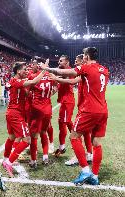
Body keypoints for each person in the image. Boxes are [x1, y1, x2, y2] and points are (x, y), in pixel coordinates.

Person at [41, 47, 109, 185]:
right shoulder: (104, 70)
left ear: (87, 57)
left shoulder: (86, 68)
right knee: (97, 143)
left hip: (89, 110)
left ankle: (85, 170)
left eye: (84, 55)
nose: (82, 58)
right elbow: (74, 80)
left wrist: (47, 69)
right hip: (103, 110)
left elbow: (67, 72)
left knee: (74, 137)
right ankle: (94, 176)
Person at [2, 61, 47, 177]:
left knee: (11, 137)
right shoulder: (17, 81)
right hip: (15, 114)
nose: (26, 71)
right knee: (27, 140)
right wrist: (44, 70)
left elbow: (26, 92)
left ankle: (5, 159)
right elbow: (34, 81)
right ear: (18, 71)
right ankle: (9, 162)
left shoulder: (15, 81)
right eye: (24, 69)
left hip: (11, 113)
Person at [50, 54, 93, 166]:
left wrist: (55, 77)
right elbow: (58, 85)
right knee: (74, 126)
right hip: (80, 104)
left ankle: (67, 148)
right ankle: (88, 153)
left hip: (74, 103)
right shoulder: (81, 72)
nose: (76, 63)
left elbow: (71, 81)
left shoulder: (72, 71)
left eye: (77, 62)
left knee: (68, 124)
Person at [28, 57, 56, 168]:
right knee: (44, 132)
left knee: (34, 136)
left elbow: (27, 91)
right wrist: (49, 94)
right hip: (47, 108)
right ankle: (45, 157)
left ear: (39, 65)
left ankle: (33, 160)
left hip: (37, 108)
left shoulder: (33, 76)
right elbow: (55, 87)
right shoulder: (50, 75)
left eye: (34, 64)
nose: (31, 66)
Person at [53, 55, 75, 157]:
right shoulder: (63, 71)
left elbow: (62, 78)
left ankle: (62, 147)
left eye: (61, 61)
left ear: (67, 62)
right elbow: (59, 82)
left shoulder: (69, 71)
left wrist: (54, 78)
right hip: (65, 101)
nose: (59, 62)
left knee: (62, 123)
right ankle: (76, 138)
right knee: (67, 121)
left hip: (67, 102)